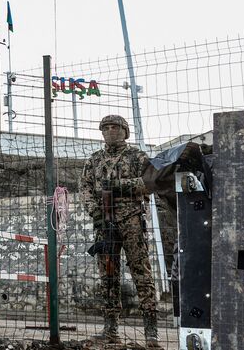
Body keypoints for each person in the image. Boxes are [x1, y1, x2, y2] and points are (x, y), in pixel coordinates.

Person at [81, 115, 161, 348]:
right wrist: (94, 211)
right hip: (104, 222)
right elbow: (84, 188)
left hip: (131, 220)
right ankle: (111, 329)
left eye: (115, 127)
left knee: (141, 272)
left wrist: (119, 186)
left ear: (125, 131)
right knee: (108, 275)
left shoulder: (137, 156)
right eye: (105, 128)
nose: (110, 131)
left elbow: (150, 183)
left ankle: (151, 331)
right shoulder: (94, 160)